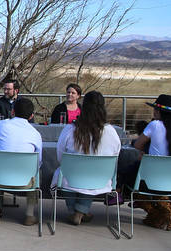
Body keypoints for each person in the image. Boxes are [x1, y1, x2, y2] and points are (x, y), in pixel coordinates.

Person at [122, 93, 171, 230]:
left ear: (161, 112)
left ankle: (158, 213)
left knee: (126, 176)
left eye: (156, 109)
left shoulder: (155, 125)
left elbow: (137, 145)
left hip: (152, 180)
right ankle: (160, 213)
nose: (154, 111)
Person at [51, 91, 121, 225]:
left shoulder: (70, 129)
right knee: (91, 174)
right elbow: (115, 156)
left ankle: (74, 211)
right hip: (99, 178)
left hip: (72, 176)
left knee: (67, 173)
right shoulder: (111, 132)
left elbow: (60, 156)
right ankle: (82, 210)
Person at [0, 96, 43, 226]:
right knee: (38, 173)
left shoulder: (0, 125)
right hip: (25, 183)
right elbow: (38, 161)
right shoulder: (35, 133)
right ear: (31, 116)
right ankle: (29, 214)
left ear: (12, 112)